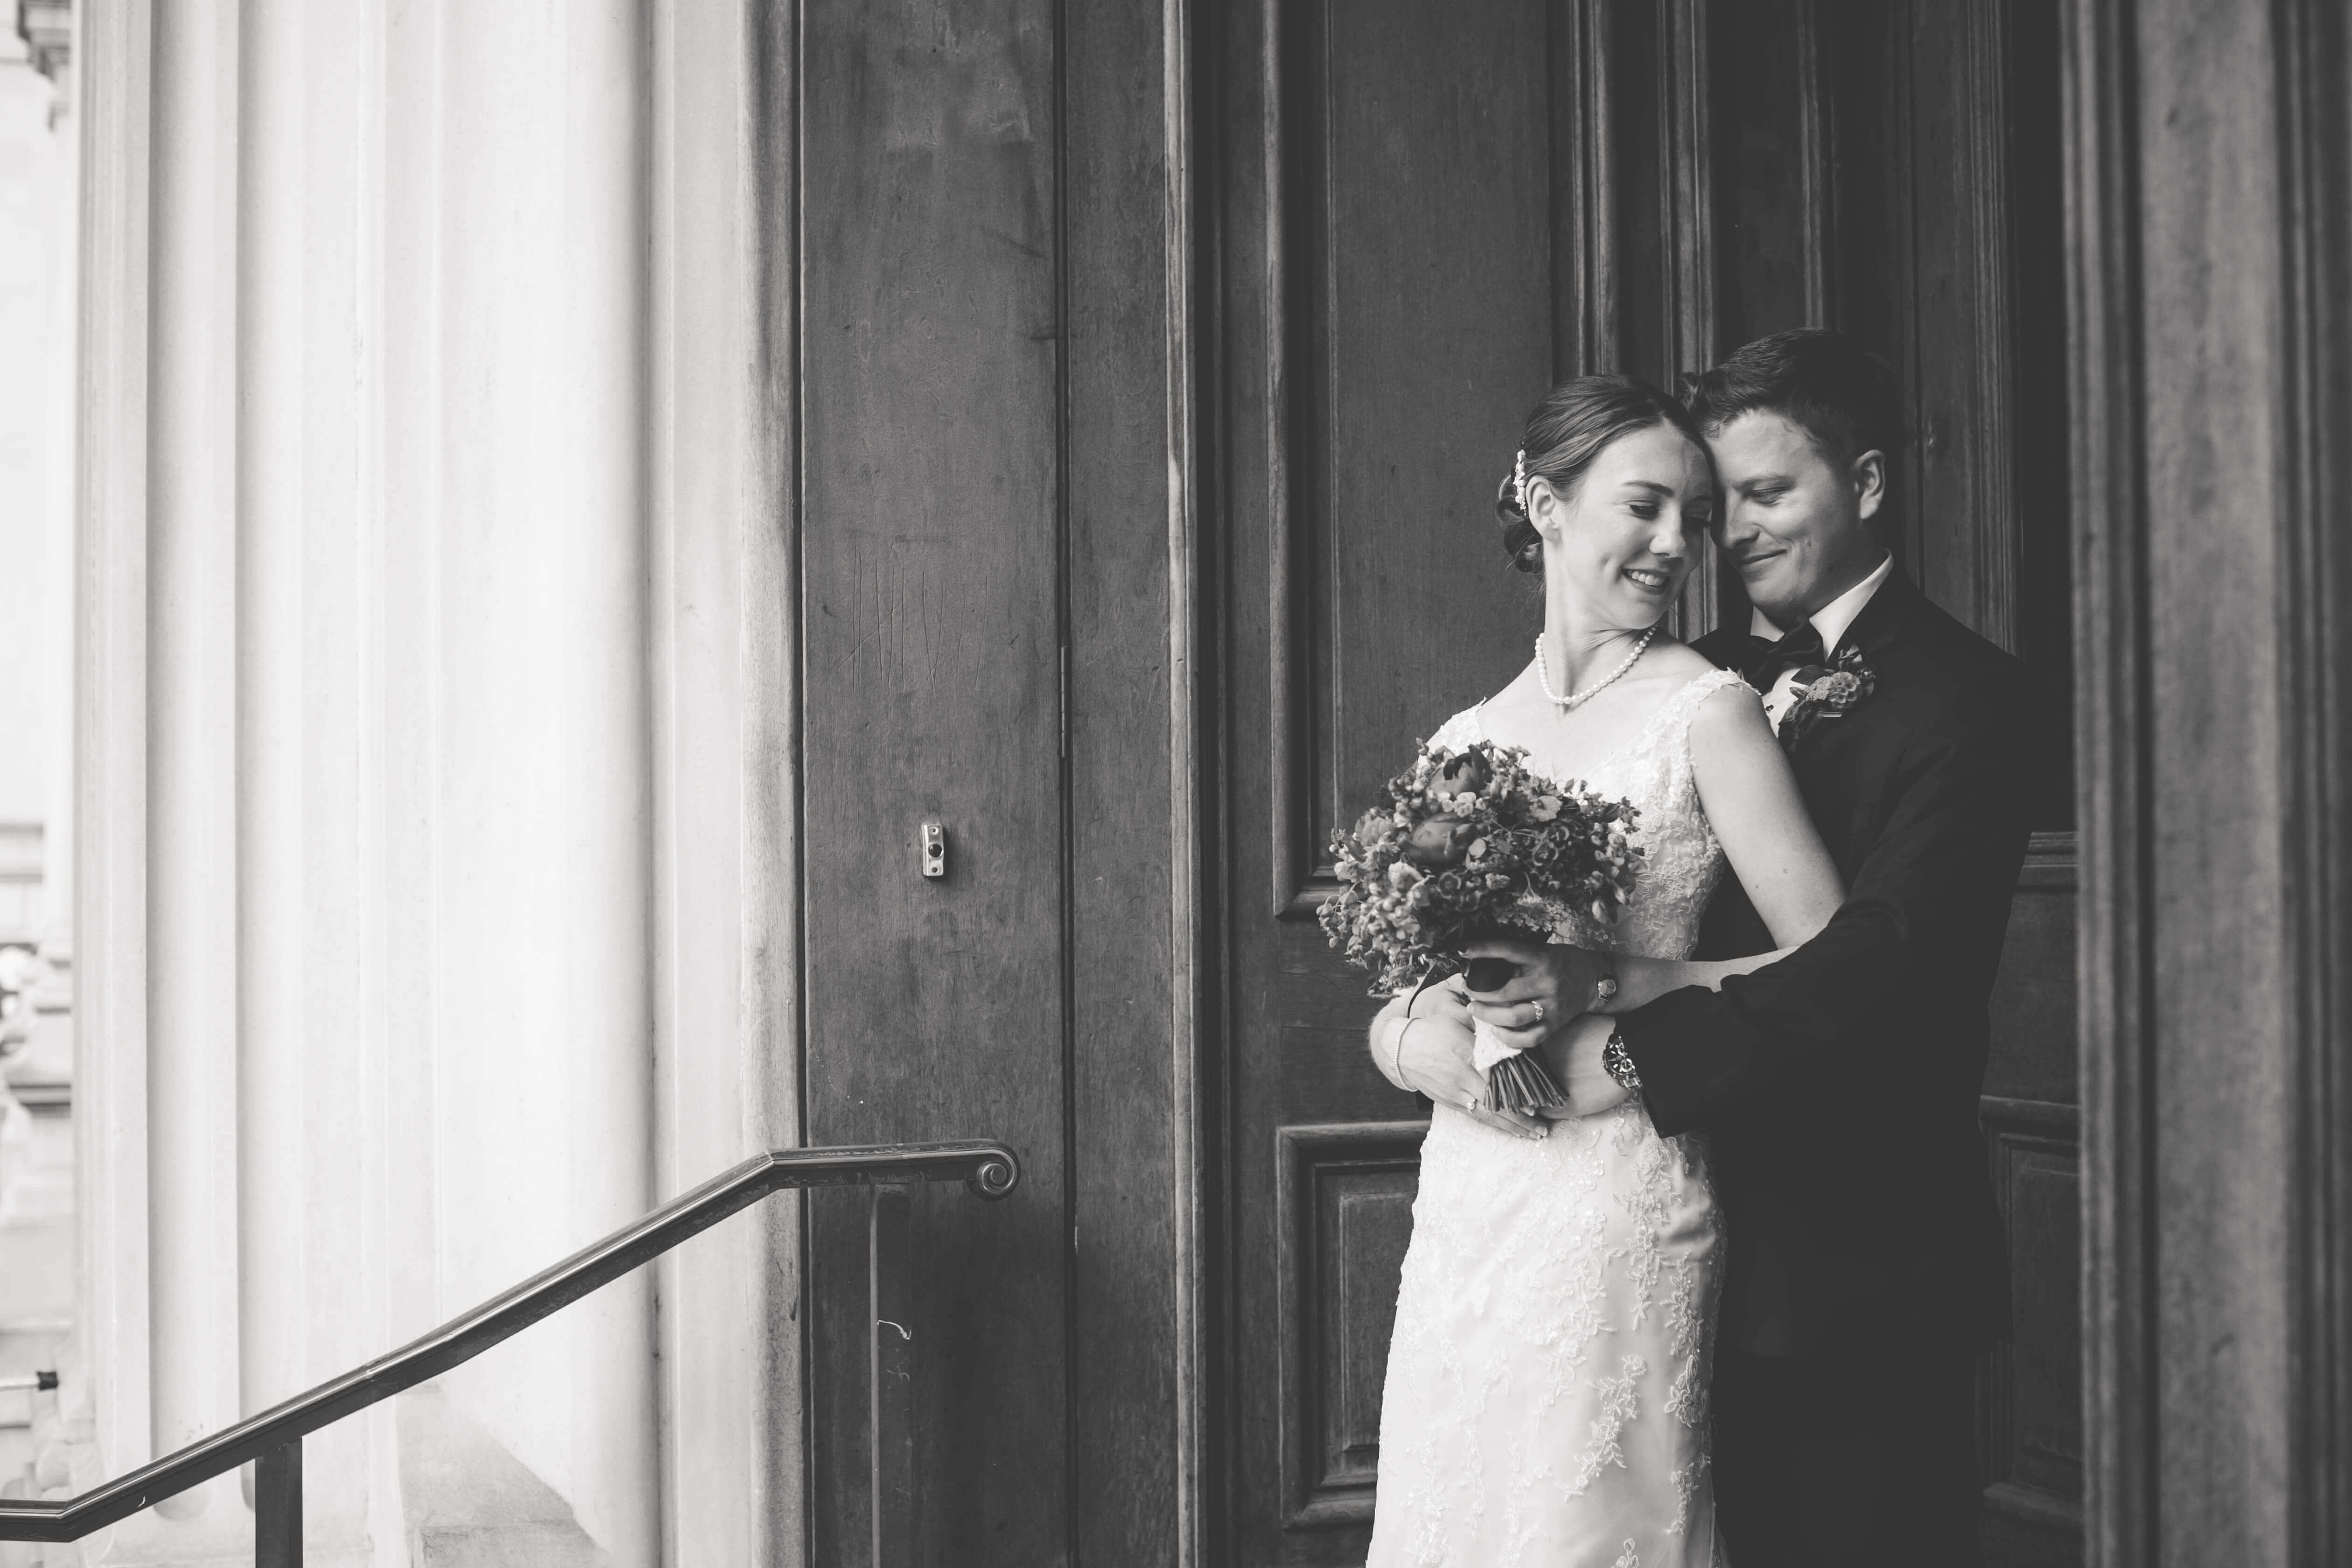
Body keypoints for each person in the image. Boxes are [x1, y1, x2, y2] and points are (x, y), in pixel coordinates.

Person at [1391, 329, 2031, 1566]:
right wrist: (1415, 1033)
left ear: (1870, 484)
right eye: (1699, 501)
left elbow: (1886, 961)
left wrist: (1628, 1028)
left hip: (1851, 1242)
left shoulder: (1957, 700)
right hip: (1630, 1199)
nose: (1717, 536)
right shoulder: (1692, 675)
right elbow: (1450, 957)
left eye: (1760, 495)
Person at [1364, 372, 1844, 1567]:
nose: (1680, 543)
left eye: (1691, 514)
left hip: (1619, 1189)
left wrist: (1606, 977)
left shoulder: (1707, 714)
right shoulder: (1465, 741)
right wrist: (1411, 1035)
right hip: (1475, 1187)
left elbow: (1834, 960)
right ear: (1545, 506)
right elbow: (1415, 979)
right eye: (1646, 507)